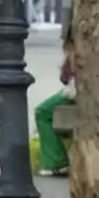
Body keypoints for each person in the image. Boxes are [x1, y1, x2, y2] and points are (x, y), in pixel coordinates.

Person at [35, 28, 75, 177]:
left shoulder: (76, 50)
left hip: (75, 92)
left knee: (43, 112)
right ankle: (56, 159)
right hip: (74, 90)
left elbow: (66, 76)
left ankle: (56, 161)